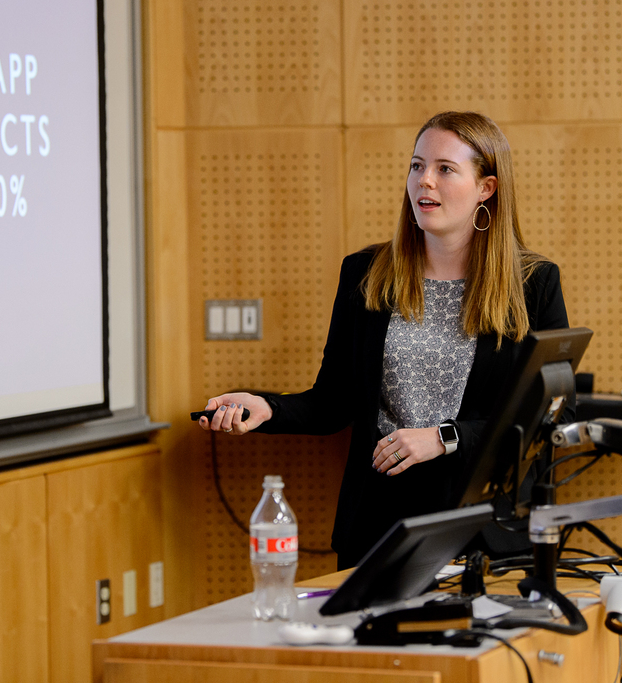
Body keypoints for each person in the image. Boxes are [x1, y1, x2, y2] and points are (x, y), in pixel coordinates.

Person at [197, 111, 569, 569]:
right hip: (379, 526)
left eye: (444, 169)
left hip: (489, 532)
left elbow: (553, 412)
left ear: (486, 189)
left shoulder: (533, 284)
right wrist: (267, 408)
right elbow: (333, 401)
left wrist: (446, 437)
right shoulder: (366, 274)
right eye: (416, 166)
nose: (423, 182)